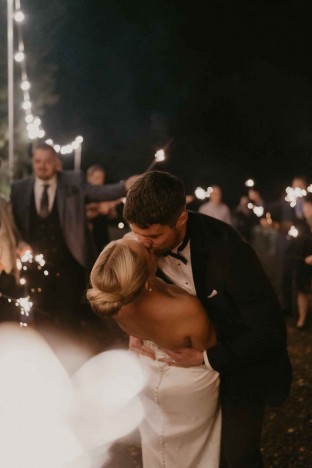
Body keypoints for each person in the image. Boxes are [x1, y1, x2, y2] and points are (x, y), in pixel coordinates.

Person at [123, 171, 292, 468]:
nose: (144, 244)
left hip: (236, 364)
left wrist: (207, 358)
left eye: (152, 236)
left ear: (180, 219)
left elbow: (269, 332)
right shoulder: (140, 244)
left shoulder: (230, 253)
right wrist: (136, 326)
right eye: (138, 234)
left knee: (237, 456)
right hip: (183, 377)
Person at [87, 237, 221, 467]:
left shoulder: (116, 297)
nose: (147, 243)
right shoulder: (186, 309)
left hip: (147, 374)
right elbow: (209, 346)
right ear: (146, 279)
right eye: (146, 250)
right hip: (187, 383)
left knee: (157, 451)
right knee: (195, 455)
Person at [10, 143, 139, 327]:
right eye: (38, 161)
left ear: (55, 162)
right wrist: (21, 243)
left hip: (70, 262)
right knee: (39, 316)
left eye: (47, 161)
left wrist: (124, 186)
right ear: (33, 161)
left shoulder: (73, 181)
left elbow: (99, 192)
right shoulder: (19, 189)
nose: (42, 165)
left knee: (68, 316)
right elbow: (14, 225)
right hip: (34, 267)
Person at [85, 164, 120, 253]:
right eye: (97, 177)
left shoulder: (105, 196)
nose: (100, 181)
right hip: (88, 238)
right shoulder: (83, 195)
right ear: (89, 178)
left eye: (102, 178)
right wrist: (98, 209)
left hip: (102, 235)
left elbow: (113, 217)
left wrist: (111, 208)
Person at [291, 193, 312, 330]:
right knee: (302, 291)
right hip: (302, 263)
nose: (305, 209)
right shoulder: (302, 225)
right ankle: (302, 319)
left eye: (309, 207)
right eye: (305, 206)